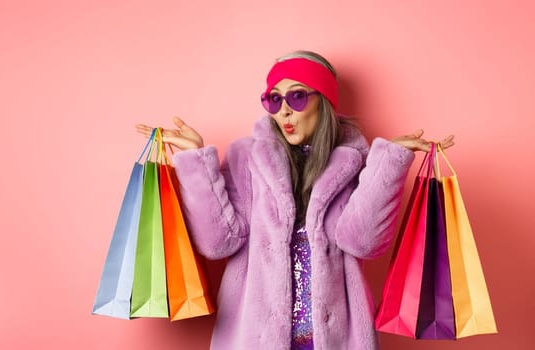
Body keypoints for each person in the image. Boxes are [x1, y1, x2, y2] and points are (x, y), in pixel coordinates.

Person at [134, 50, 455, 350]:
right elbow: (218, 242)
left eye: (297, 96)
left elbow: (363, 243)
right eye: (273, 99)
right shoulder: (247, 159)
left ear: (324, 100)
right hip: (255, 339)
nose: (284, 110)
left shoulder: (354, 161)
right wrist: (195, 162)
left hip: (336, 339)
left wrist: (389, 163)